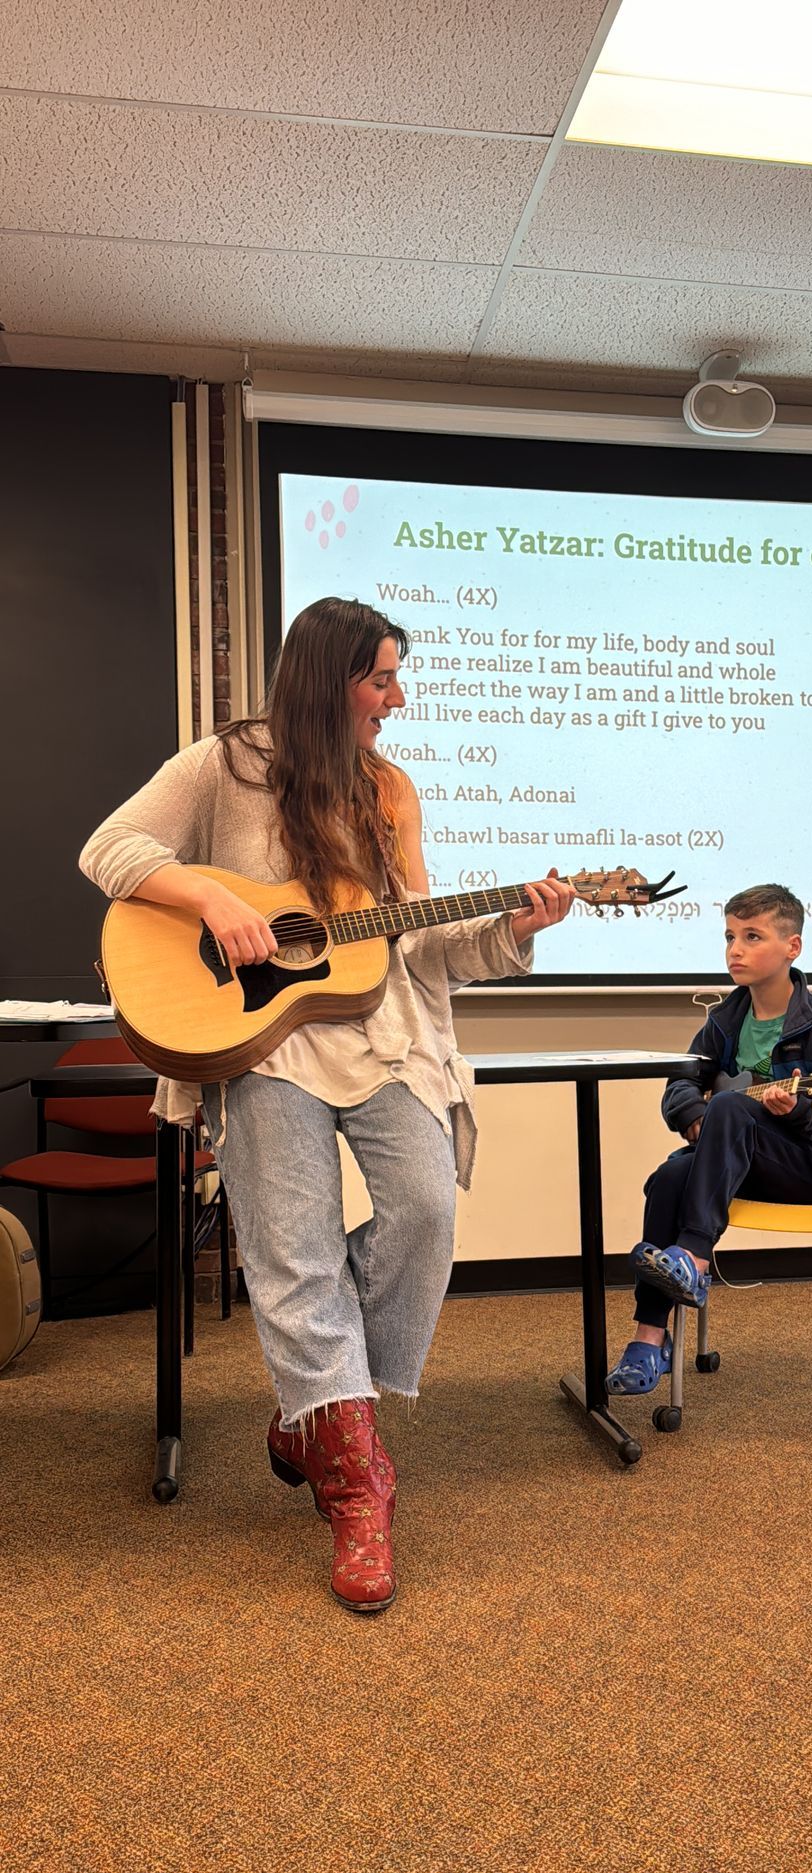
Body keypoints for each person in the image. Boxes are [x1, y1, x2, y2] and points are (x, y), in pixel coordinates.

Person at [80, 595, 574, 1613]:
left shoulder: (388, 789)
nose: (398, 697)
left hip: (386, 1037)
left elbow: (416, 944)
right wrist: (211, 898)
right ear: (326, 679)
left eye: (396, 676)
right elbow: (110, 850)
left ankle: (311, 1411)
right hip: (260, 1046)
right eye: (381, 678)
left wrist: (517, 930)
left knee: (427, 1213)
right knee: (291, 1247)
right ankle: (356, 1482)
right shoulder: (224, 765)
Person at [606, 883, 812, 1395]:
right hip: (746, 1165)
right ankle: (649, 1339)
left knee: (734, 1105)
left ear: (792, 947)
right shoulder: (725, 1021)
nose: (735, 949)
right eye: (730, 936)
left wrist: (802, 1110)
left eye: (752, 937)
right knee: (670, 1175)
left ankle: (692, 1257)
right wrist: (695, 1118)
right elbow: (681, 1083)